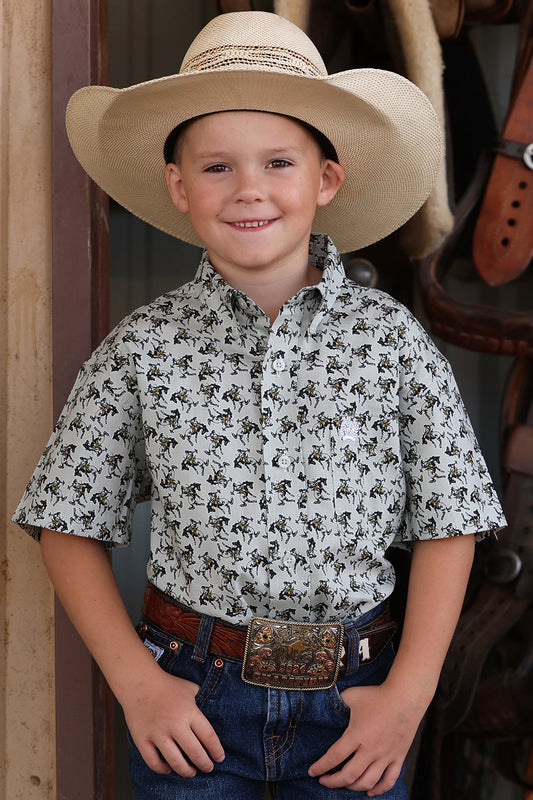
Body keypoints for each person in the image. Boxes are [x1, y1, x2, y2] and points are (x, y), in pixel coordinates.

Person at [13, 11, 505, 800]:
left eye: (279, 161)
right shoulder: (141, 348)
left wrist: (408, 698)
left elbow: (450, 523)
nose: (249, 189)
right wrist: (139, 686)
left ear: (326, 179)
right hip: (194, 706)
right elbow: (65, 521)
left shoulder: (393, 343)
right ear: (177, 185)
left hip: (358, 704)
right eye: (215, 168)